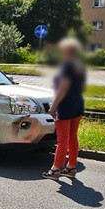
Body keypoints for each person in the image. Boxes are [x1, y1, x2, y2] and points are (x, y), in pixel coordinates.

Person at [43, 38, 87, 179]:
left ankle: (55, 169)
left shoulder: (67, 66)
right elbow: (83, 87)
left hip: (65, 105)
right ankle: (71, 167)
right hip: (78, 104)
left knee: (62, 139)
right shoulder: (80, 65)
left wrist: (53, 107)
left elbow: (63, 88)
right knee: (72, 137)